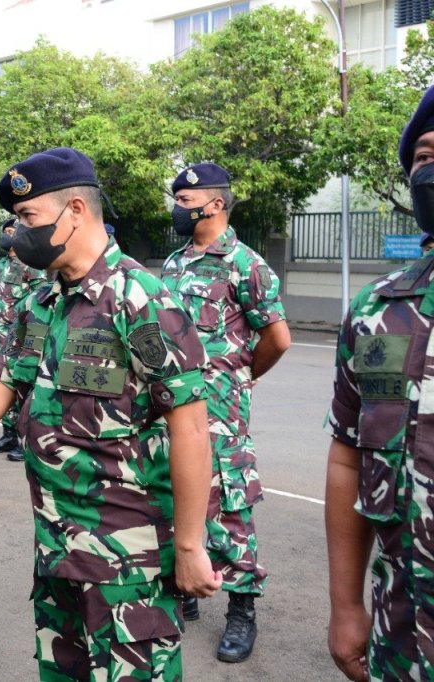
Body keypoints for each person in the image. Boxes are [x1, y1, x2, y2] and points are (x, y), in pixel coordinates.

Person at [0, 147, 222, 680]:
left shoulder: (141, 299)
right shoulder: (42, 303)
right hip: (57, 546)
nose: (18, 233)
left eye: (28, 217)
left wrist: (191, 547)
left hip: (128, 558)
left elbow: (190, 428)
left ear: (74, 210)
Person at [324, 84, 434, 682]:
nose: (432, 170)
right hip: (404, 637)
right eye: (424, 156)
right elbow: (348, 457)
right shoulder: (377, 310)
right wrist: (346, 607)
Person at [160, 163, 291, 663]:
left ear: (214, 204)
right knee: (174, 489)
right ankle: (187, 586)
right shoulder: (174, 264)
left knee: (229, 500)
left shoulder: (245, 264)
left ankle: (242, 608)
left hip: (220, 407)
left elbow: (277, 338)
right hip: (172, 404)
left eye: (185, 200)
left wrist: (241, 373)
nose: (177, 208)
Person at [0, 216, 46, 462]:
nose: (7, 236)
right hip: (1, 334)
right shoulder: (2, 264)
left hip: (22, 335)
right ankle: (8, 434)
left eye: (12, 231)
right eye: (5, 231)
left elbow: (41, 299)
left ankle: (25, 439)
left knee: (23, 384)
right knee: (3, 382)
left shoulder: (31, 264)